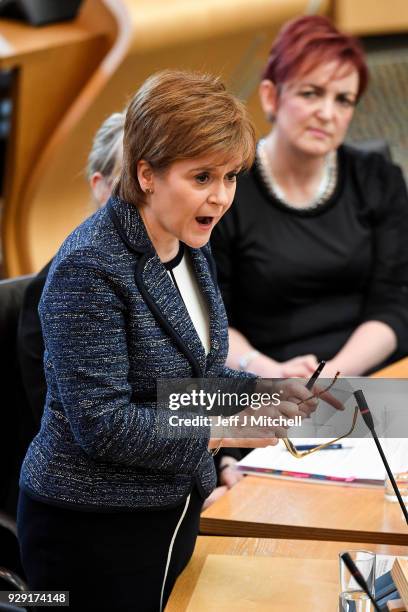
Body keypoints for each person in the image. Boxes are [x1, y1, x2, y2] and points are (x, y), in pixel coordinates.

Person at [17, 70, 317, 612]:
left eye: (230, 177)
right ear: (146, 174)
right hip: (92, 532)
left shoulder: (186, 240)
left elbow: (187, 379)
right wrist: (225, 425)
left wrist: (262, 392)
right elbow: (103, 424)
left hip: (170, 508)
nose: (221, 197)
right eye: (202, 177)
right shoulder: (89, 267)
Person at [211, 15, 408, 382]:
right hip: (267, 378)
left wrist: (331, 375)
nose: (327, 113)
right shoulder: (227, 189)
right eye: (311, 93)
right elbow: (211, 321)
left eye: (344, 100)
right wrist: (275, 374)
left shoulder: (379, 178)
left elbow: (395, 302)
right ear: (271, 95)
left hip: (367, 370)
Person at [17, 111, 125, 427]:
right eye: (129, 179)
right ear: (100, 187)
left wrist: (232, 452)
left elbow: (188, 392)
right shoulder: (70, 283)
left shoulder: (181, 265)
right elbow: (99, 425)